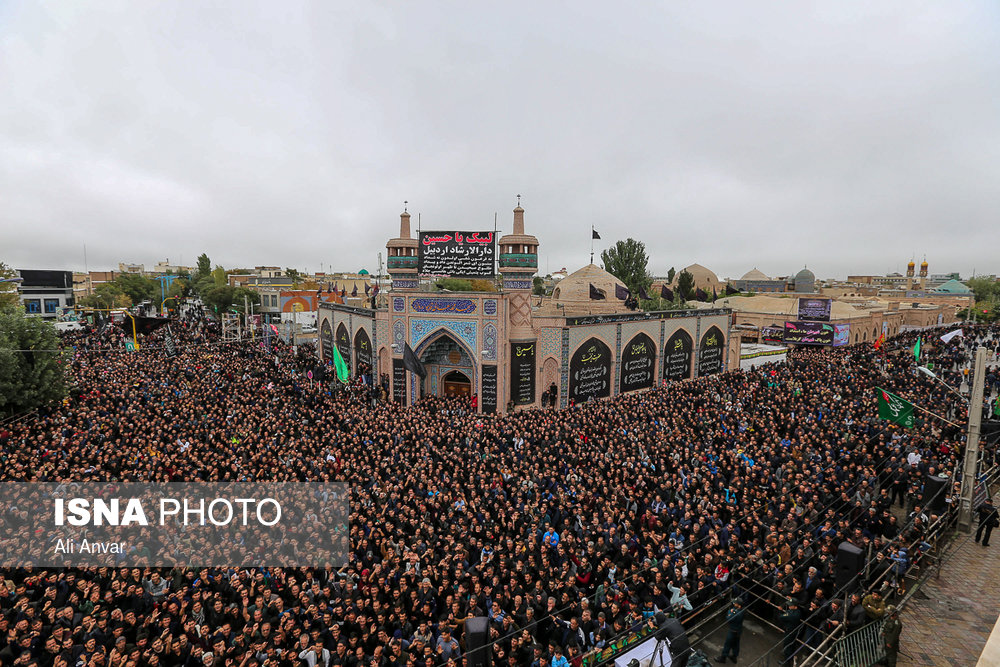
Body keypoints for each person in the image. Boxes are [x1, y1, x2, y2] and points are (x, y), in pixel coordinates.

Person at [716, 598, 744, 664]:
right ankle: (734, 657)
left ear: (739, 605)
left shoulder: (736, 613)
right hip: (739, 631)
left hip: (733, 631)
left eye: (735, 603)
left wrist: (730, 612)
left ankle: (723, 658)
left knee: (727, 644)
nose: (734, 604)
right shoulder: (743, 611)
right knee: (736, 644)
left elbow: (728, 618)